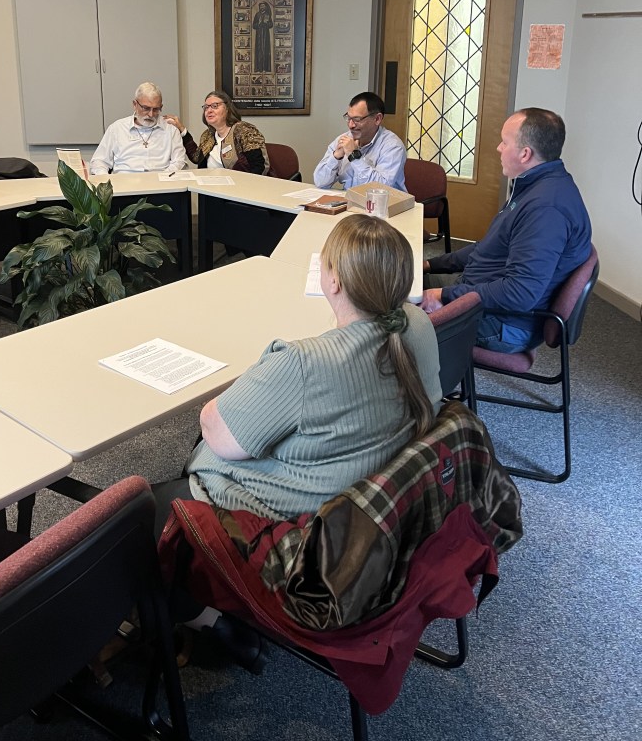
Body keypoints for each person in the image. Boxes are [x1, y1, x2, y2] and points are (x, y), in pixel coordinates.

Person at [184, 213, 442, 520]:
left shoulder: (304, 363)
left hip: (286, 517)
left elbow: (216, 433)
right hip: (373, 500)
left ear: (334, 281)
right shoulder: (418, 324)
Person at [420, 108, 592, 354]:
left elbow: (520, 292)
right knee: (408, 286)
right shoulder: (534, 187)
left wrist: (444, 296)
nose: (499, 148)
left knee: (393, 320)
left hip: (503, 322)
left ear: (525, 154)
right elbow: (489, 248)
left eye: (504, 142)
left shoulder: (545, 209)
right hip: (484, 296)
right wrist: (430, 265)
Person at [313, 91, 407, 192]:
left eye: (357, 119)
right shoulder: (344, 139)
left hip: (387, 201)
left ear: (377, 119)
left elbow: (379, 190)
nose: (351, 125)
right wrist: (336, 156)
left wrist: (354, 156)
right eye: (348, 118)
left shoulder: (393, 146)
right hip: (350, 199)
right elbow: (320, 182)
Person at [89, 82, 186, 175]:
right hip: (125, 182)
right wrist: (106, 180)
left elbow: (179, 162)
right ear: (135, 104)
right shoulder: (117, 129)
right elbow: (99, 161)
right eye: (146, 108)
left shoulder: (170, 130)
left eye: (156, 109)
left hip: (160, 182)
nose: (151, 114)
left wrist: (162, 178)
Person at [165, 90, 270, 175]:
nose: (209, 110)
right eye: (206, 107)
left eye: (215, 106)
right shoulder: (208, 135)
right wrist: (182, 129)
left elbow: (259, 166)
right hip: (211, 187)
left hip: (240, 188)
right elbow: (196, 158)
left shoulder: (243, 130)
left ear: (227, 108)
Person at [252, 1, 273, 73]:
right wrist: (258, 23)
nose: (262, 7)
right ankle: (259, 69)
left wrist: (267, 23)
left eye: (263, 6)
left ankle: (265, 68)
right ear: (259, 7)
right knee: (259, 51)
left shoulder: (268, 15)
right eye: (261, 6)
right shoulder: (257, 15)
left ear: (265, 7)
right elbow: (254, 25)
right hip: (259, 35)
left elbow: (271, 25)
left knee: (265, 51)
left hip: (266, 36)